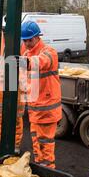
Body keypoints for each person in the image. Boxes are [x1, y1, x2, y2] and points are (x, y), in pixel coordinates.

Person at [20, 21, 62, 169]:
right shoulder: (26, 54)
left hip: (47, 109)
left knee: (46, 144)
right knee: (36, 142)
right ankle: (40, 167)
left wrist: (24, 62)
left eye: (29, 40)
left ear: (37, 37)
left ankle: (49, 172)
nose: (27, 43)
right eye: (24, 40)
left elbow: (41, 62)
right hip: (35, 109)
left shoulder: (49, 52)